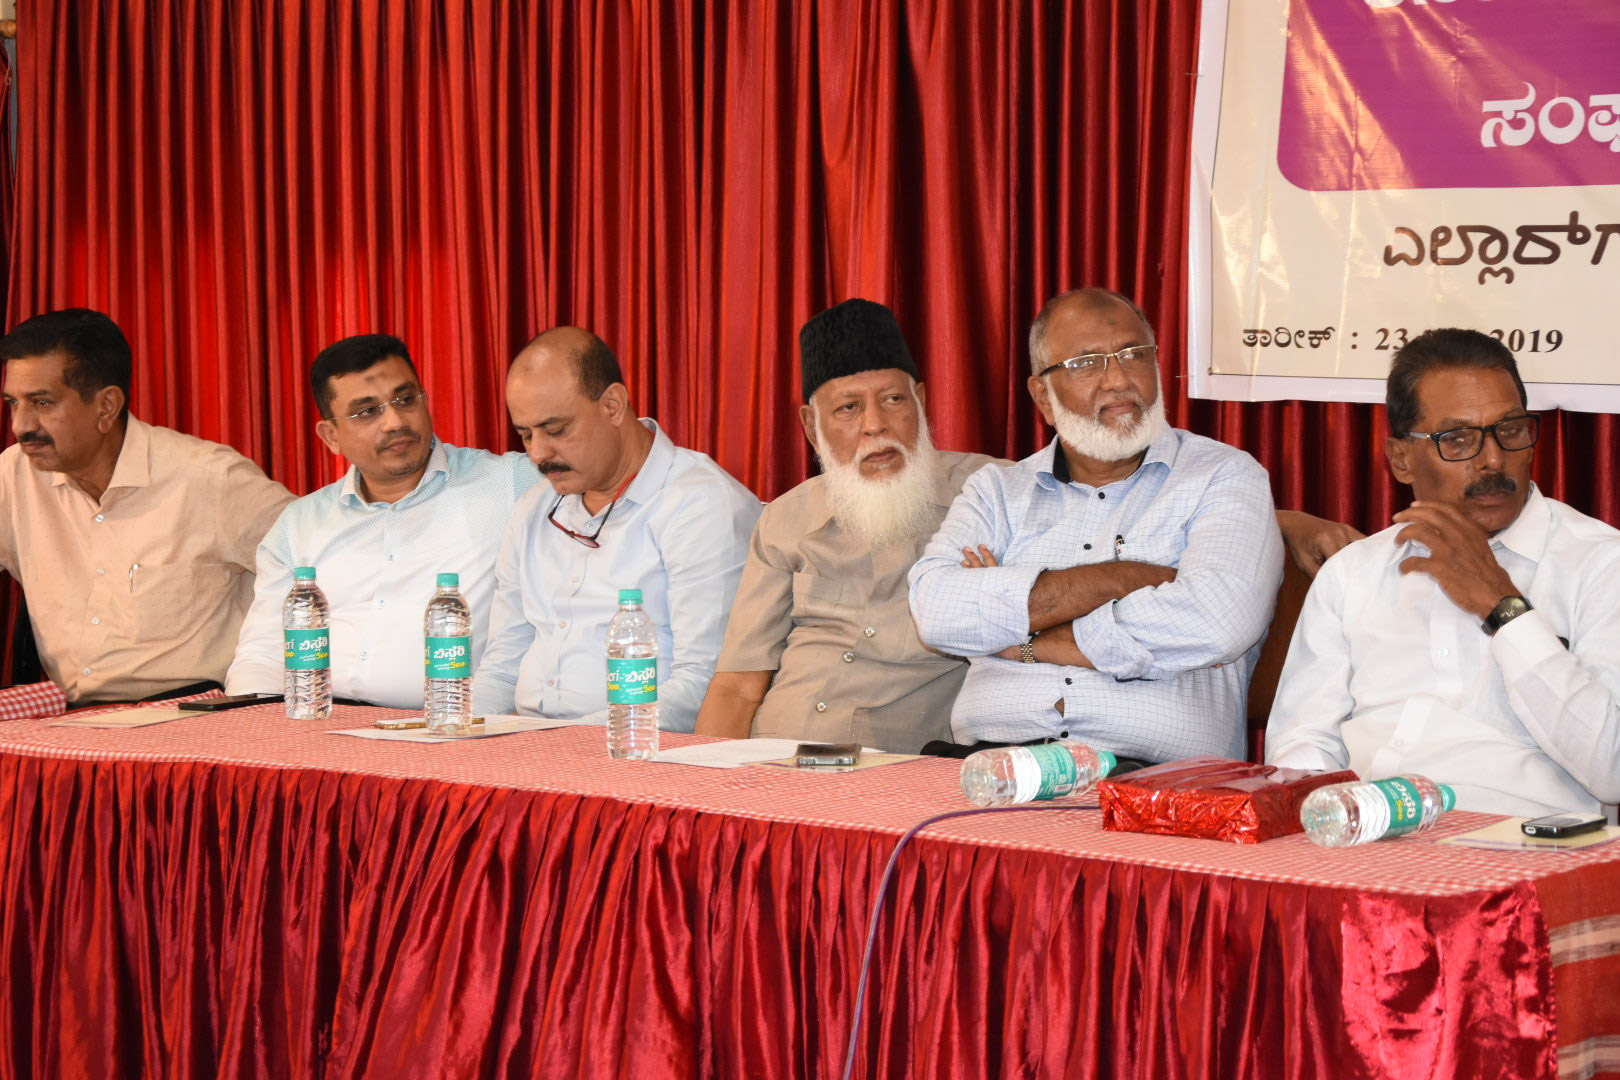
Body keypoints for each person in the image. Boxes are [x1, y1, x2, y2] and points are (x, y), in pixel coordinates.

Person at [907, 288, 1284, 764]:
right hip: (990, 766)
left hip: (1150, 777)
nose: (1119, 380)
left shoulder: (1224, 475)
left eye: (1134, 354)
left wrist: (1027, 640)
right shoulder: (997, 491)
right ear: (1042, 396)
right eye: (1086, 363)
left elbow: (1217, 623)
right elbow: (937, 612)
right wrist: (1125, 579)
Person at [1266, 328, 1620, 817]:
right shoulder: (1353, 573)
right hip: (1372, 835)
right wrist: (1321, 813)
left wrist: (1502, 606)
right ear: (1401, 460)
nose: (1493, 460)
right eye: (1457, 439)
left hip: (1527, 840)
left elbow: (1612, 770)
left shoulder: (1601, 564)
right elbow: (1304, 740)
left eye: (1511, 430)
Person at [694, 299, 1002, 752]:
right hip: (772, 758)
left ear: (920, 402)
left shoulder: (992, 496)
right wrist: (697, 783)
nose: (875, 425)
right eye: (848, 408)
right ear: (811, 427)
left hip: (896, 772)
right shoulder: (785, 519)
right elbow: (738, 686)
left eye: (893, 400)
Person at [226, 334, 538, 709]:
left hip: (447, 722)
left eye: (405, 400)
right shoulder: (299, 525)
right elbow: (263, 653)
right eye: (367, 412)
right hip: (320, 723)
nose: (394, 422)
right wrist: (250, 730)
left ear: (425, 401)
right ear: (331, 436)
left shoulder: (511, 484)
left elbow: (597, 459)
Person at [471, 327, 760, 730]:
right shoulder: (533, 509)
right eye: (525, 434)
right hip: (529, 743)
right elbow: (502, 668)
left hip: (635, 748)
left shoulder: (700, 504)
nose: (538, 453)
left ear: (612, 405)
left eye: (556, 430)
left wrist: (563, 744)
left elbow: (703, 684)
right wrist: (453, 729)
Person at [0, 308, 293, 704]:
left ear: (106, 406)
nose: (20, 426)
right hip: (71, 716)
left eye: (42, 403)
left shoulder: (211, 478)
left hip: (197, 712)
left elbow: (321, 569)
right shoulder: (14, 473)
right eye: (13, 403)